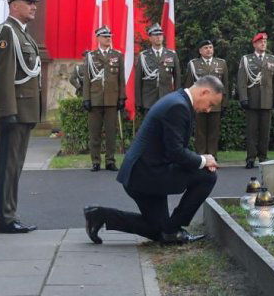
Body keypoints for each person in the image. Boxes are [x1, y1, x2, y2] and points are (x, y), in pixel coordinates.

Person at [82, 76, 223, 245]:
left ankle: (99, 215)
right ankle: (174, 229)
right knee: (207, 176)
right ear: (204, 92)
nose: (208, 110)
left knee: (161, 231)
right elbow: (176, 152)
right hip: (145, 175)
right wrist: (203, 160)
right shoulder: (178, 106)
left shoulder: (177, 100)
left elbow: (173, 147)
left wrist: (200, 160)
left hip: (145, 171)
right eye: (211, 104)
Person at [0, 0, 43, 234]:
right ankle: (4, 219)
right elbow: (2, 75)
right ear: (14, 5)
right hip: (12, 112)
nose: (34, 6)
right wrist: (7, 111)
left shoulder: (22, 33)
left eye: (34, 2)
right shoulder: (6, 32)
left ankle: (9, 215)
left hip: (23, 111)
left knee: (14, 166)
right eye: (29, 2)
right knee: (6, 167)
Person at [82, 26, 126, 172]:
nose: (108, 38)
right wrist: (86, 99)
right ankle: (95, 161)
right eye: (105, 36)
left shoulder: (117, 55)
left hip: (112, 100)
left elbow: (121, 79)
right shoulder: (91, 56)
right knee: (94, 132)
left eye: (109, 36)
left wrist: (121, 97)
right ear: (98, 38)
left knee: (111, 132)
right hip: (95, 99)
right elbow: (87, 79)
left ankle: (110, 161)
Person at [237, 32, 274, 169]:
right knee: (251, 132)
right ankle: (250, 158)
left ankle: (263, 157)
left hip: (267, 101)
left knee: (265, 132)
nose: (263, 44)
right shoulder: (246, 59)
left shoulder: (272, 59)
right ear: (254, 44)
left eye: (265, 41)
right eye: (261, 42)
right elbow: (241, 81)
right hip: (252, 100)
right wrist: (243, 98)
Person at [183, 39, 229, 157]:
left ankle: (212, 156)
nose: (209, 50)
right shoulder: (193, 64)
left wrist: (224, 103)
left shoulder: (221, 63)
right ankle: (201, 156)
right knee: (200, 132)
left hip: (215, 104)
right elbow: (189, 85)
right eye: (206, 48)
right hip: (199, 103)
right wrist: (189, 103)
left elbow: (225, 85)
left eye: (210, 47)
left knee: (214, 132)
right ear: (200, 51)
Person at [135, 24, 180, 119]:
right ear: (150, 38)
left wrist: (177, 98)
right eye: (155, 35)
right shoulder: (143, 56)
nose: (158, 37)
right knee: (151, 130)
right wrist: (139, 102)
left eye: (160, 34)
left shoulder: (171, 54)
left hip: (167, 98)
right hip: (148, 100)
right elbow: (138, 81)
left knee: (166, 128)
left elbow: (177, 78)